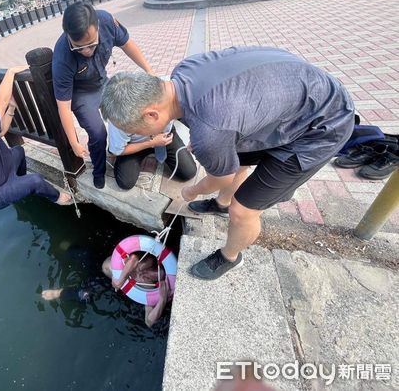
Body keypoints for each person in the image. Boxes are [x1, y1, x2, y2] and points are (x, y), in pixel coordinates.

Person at [100, 46, 355, 280]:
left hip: (321, 123)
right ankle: (221, 204)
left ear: (152, 114)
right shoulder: (184, 69)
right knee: (230, 158)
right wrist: (210, 143)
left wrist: (192, 191)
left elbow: (219, 176)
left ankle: (230, 256)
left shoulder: (210, 130)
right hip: (296, 87)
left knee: (243, 210)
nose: (144, 136)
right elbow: (220, 134)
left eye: (139, 130)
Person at [52, 2, 154, 189]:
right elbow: (64, 107)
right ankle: (98, 172)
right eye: (79, 47)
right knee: (98, 133)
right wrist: (74, 142)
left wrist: (149, 70)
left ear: (98, 27)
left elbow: (127, 44)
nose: (86, 51)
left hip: (102, 81)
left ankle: (128, 150)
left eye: (91, 45)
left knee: (127, 110)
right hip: (81, 93)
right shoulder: (62, 57)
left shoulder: (106, 21)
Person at [0, 66, 71, 210]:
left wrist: (11, 108)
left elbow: (1, 131)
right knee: (35, 180)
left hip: (5, 173)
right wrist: (10, 72)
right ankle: (57, 198)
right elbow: (0, 103)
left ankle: (19, 182)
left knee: (18, 151)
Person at [42, 254, 171, 327]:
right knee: (83, 256)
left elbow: (149, 321)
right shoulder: (146, 260)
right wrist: (122, 278)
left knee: (85, 294)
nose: (144, 275)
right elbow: (133, 259)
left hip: (106, 283)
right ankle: (67, 249)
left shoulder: (148, 287)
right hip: (108, 266)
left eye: (148, 277)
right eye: (145, 272)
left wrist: (162, 300)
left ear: (155, 283)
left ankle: (59, 293)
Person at [108, 120, 197, 190]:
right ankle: (121, 146)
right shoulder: (120, 112)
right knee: (125, 182)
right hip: (134, 142)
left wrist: (199, 136)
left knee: (189, 172)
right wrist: (151, 143)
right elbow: (117, 150)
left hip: (165, 135)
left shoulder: (170, 99)